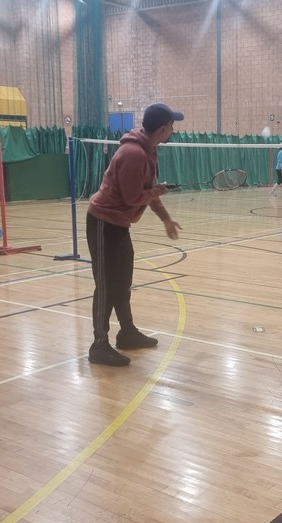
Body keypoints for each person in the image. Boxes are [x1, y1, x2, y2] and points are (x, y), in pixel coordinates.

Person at [86, 103, 183, 367]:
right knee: (106, 286)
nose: (173, 129)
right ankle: (99, 345)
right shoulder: (133, 153)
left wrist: (166, 219)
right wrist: (157, 192)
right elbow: (133, 197)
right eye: (172, 125)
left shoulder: (149, 151)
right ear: (162, 128)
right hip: (103, 223)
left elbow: (147, 190)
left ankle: (126, 332)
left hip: (118, 225)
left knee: (122, 282)